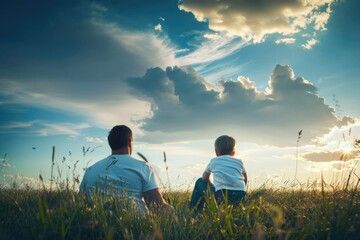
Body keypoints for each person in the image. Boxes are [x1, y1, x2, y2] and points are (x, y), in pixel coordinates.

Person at [79, 125, 173, 213]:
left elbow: (81, 203)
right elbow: (157, 207)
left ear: (110, 143)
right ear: (129, 141)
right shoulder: (143, 168)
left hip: (98, 226)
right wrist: (173, 210)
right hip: (137, 227)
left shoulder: (90, 170)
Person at [189, 135, 247, 211]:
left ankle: (194, 209)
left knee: (199, 181)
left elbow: (205, 178)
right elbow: (245, 178)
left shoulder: (214, 161)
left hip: (221, 196)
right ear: (233, 152)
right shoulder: (239, 162)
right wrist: (240, 188)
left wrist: (211, 185)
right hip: (241, 195)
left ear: (216, 151)